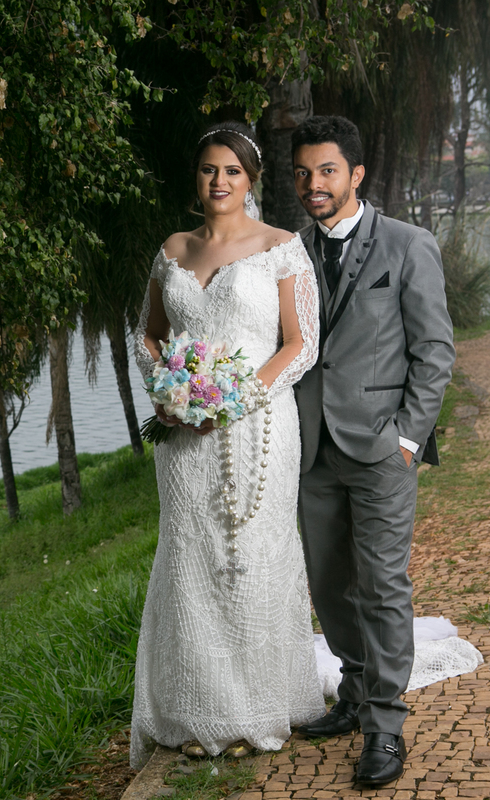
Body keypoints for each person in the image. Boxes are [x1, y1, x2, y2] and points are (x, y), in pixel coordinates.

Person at [130, 121, 326, 768]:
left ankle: (257, 707)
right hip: (183, 435)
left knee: (251, 555)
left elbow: (300, 345)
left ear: (252, 180)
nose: (219, 182)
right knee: (192, 558)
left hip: (259, 428)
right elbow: (149, 335)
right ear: (197, 177)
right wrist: (167, 391)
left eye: (232, 172)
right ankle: (194, 711)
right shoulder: (174, 249)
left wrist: (239, 397)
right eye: (209, 170)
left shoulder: (282, 248)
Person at [291, 115, 454, 787]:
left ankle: (385, 725)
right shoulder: (289, 252)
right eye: (303, 173)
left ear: (356, 174)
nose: (313, 184)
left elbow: (435, 351)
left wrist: (408, 440)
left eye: (327, 170)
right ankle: (355, 693)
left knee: (384, 585)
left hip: (383, 448)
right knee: (330, 585)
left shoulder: (409, 245)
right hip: (311, 450)